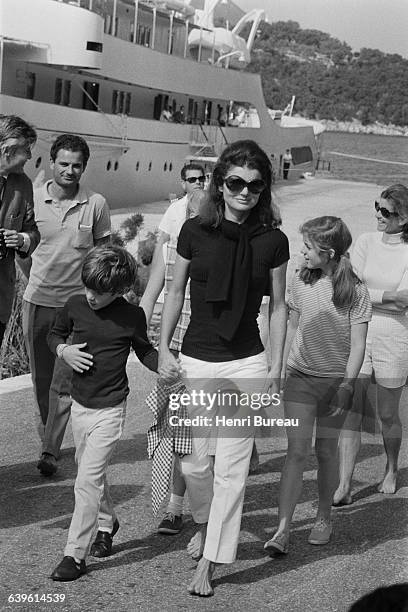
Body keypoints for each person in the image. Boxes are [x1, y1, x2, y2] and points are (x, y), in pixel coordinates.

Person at [159, 139, 289, 596]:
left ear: (264, 189)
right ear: (220, 184)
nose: (245, 192)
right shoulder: (195, 231)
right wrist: (163, 349)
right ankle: (204, 521)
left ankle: (211, 562)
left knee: (232, 467)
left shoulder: (273, 241)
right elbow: (175, 293)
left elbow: (277, 307)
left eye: (255, 185)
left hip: (248, 361)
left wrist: (275, 365)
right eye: (235, 182)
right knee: (195, 463)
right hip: (196, 355)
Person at [49, 245, 177, 582]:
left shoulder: (131, 316)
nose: (91, 296)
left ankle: (74, 555)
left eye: (100, 292)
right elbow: (54, 334)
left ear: (120, 290)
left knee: (87, 480)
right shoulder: (75, 305)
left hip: (110, 409)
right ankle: (108, 523)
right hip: (80, 405)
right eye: (88, 287)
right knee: (90, 473)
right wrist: (64, 351)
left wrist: (163, 365)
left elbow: (144, 350)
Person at [264, 216, 371, 557]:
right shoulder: (298, 281)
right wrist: (277, 368)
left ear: (329, 252)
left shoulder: (355, 290)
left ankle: (323, 517)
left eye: (308, 247)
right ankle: (282, 528)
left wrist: (347, 386)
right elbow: (292, 326)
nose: (302, 252)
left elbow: (358, 346)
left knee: (325, 452)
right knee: (296, 452)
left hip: (333, 384)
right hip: (299, 377)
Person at [22, 134, 111, 477]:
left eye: (77, 165)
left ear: (84, 167)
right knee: (42, 379)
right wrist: (35, 279)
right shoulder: (32, 198)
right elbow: (23, 251)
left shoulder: (96, 204)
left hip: (78, 307)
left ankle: (49, 451)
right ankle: (51, 440)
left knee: (65, 379)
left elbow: (103, 256)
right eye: (64, 164)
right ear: (51, 163)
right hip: (39, 302)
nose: (70, 171)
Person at [334, 185, 408, 505]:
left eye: (387, 212)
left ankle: (391, 468)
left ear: (404, 217)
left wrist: (374, 296)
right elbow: (349, 288)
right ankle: (344, 484)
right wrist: (387, 296)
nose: (378, 215)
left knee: (388, 413)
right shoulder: (364, 241)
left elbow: (404, 303)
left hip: (395, 336)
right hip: (357, 332)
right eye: (376, 207)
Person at [140, 188, 206, 535]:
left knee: (192, 431)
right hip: (175, 351)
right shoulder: (171, 250)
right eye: (192, 215)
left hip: (207, 351)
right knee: (173, 428)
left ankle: (177, 506)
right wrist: (139, 339)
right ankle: (173, 504)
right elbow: (152, 292)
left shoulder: (221, 251)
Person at [0, 115, 39, 347]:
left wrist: (22, 240)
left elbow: (32, 231)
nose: (30, 156)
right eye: (26, 149)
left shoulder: (23, 184)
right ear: (8, 149)